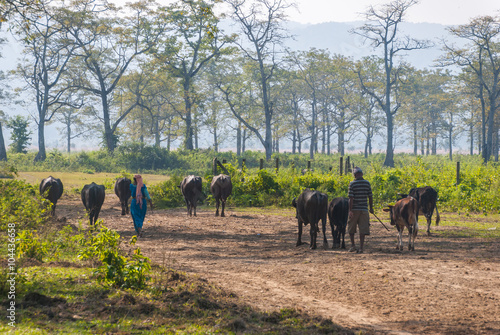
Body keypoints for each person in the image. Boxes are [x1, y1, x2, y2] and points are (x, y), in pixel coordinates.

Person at [347, 167, 374, 254]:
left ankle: (353, 245)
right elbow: (370, 196)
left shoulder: (352, 184)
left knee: (351, 228)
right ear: (362, 174)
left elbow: (351, 198)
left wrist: (350, 210)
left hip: (354, 209)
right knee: (363, 229)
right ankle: (361, 248)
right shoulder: (367, 183)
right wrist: (371, 208)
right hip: (364, 209)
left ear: (355, 175)